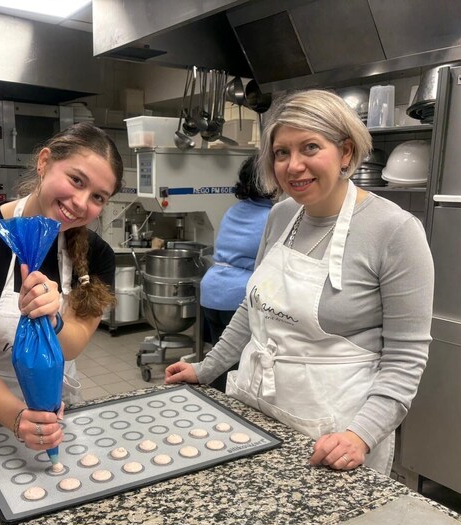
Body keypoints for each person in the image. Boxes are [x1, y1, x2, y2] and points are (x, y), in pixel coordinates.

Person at [165, 89, 434, 475]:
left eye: (310, 147)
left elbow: (406, 359)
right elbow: (252, 307)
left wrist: (360, 435)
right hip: (260, 413)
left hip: (335, 435)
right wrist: (207, 368)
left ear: (345, 152)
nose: (294, 166)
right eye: (281, 152)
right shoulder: (282, 215)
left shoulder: (394, 231)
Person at [0, 122, 122, 452]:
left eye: (97, 197)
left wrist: (54, 319)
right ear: (44, 162)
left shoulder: (98, 256)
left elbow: (72, 346)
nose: (80, 202)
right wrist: (19, 418)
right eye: (76, 180)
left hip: (55, 415)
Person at [200, 155, 274, 392]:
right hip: (238, 298)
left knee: (218, 360)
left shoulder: (234, 210)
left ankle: (212, 408)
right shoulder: (273, 216)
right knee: (237, 371)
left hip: (211, 293)